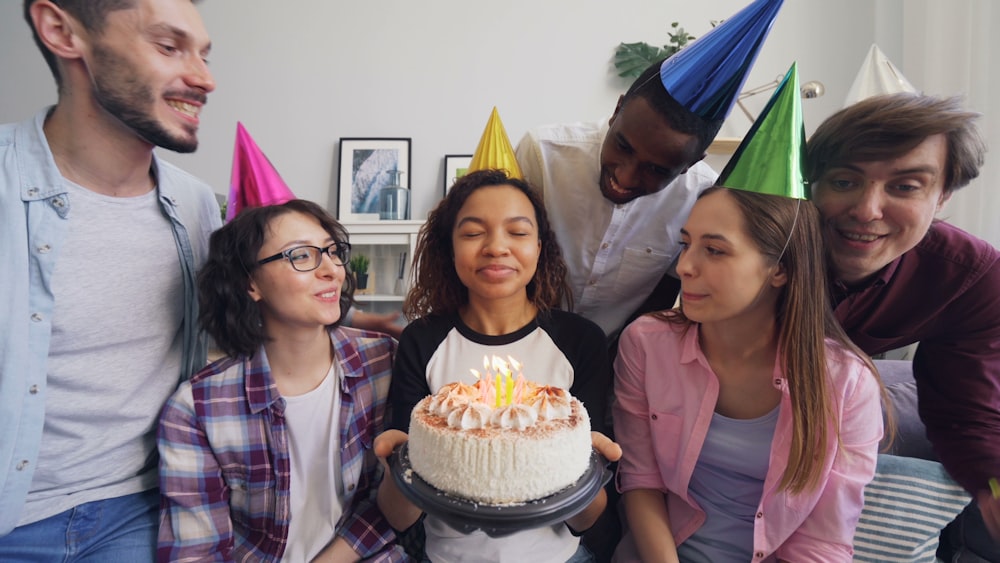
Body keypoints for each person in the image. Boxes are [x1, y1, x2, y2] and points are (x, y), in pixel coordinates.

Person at [612, 66, 886, 562]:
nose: (685, 267)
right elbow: (642, 479)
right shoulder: (646, 343)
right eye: (687, 244)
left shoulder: (846, 385)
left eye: (715, 251)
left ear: (779, 270)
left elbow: (824, 541)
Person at [0, 1, 219, 560]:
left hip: (144, 508)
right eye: (168, 47)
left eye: (203, 54)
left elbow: (224, 335)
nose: (203, 78)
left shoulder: (196, 205)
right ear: (61, 31)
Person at [373, 169, 621, 563]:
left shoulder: (579, 341)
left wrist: (578, 466)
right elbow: (399, 516)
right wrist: (399, 468)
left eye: (518, 233)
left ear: (540, 247)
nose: (496, 247)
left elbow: (587, 520)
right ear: (449, 248)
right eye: (473, 233)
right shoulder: (423, 339)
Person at [515, 0, 783, 342]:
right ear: (616, 110)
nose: (625, 177)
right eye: (623, 146)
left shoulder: (702, 198)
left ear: (693, 163)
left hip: (615, 357)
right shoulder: (542, 153)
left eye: (657, 169)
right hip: (516, 341)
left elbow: (663, 294)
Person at [806, 92, 1000, 561]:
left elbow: (967, 410)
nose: (868, 210)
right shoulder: (751, 240)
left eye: (906, 186)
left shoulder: (969, 276)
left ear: (944, 194)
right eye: (845, 180)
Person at [158, 199, 405, 562]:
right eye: (301, 256)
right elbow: (196, 552)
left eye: (333, 252)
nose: (332, 270)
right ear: (251, 283)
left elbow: (398, 499)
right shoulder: (198, 409)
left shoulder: (384, 363)